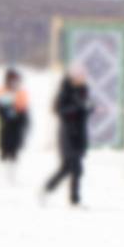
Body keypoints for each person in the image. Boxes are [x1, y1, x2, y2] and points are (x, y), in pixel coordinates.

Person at [41, 67, 91, 207]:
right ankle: (71, 199)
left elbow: (84, 112)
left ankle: (49, 190)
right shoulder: (65, 90)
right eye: (79, 76)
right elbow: (58, 110)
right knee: (72, 168)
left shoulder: (83, 90)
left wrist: (88, 109)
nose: (82, 79)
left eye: (83, 76)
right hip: (67, 134)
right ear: (73, 77)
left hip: (79, 134)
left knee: (71, 169)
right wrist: (76, 109)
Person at [0, 68, 31, 176]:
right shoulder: (0, 91)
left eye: (16, 80)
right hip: (4, 125)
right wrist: (5, 112)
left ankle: (12, 173)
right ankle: (2, 172)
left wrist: (19, 116)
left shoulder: (21, 93)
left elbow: (24, 111)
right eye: (12, 80)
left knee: (14, 150)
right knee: (4, 149)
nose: (14, 83)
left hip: (17, 126)